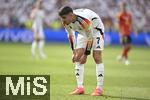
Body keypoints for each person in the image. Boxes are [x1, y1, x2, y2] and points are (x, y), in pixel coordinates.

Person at [59, 6, 105, 96]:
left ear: (71, 15)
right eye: (61, 18)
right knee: (77, 58)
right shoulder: (65, 21)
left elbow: (90, 38)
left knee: (97, 57)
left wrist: (85, 55)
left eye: (64, 17)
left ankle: (99, 88)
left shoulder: (84, 21)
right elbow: (70, 35)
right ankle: (80, 88)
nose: (62, 20)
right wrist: (74, 52)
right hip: (83, 32)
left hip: (96, 30)